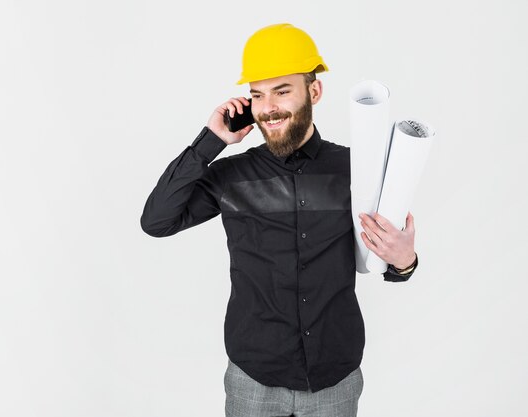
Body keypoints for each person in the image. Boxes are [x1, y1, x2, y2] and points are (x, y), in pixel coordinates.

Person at [140, 23, 418, 417]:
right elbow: (157, 221)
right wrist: (210, 141)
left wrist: (406, 260)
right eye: (257, 94)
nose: (268, 106)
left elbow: (391, 264)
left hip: (334, 380)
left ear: (314, 92)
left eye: (282, 91)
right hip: (253, 380)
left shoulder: (356, 169)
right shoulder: (230, 176)